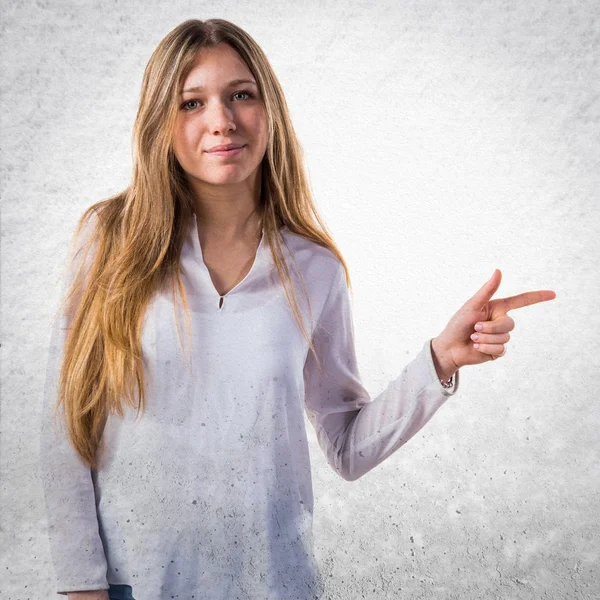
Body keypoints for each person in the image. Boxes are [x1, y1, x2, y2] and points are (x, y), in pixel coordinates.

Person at [39, 18, 556, 600]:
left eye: (241, 94)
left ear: (270, 109)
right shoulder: (110, 242)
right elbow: (67, 428)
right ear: (160, 121)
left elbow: (348, 446)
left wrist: (439, 360)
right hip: (136, 583)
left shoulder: (313, 269)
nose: (222, 120)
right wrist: (81, 587)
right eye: (191, 102)